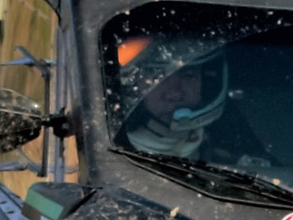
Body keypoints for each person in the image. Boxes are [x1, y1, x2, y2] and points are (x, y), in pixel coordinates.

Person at [113, 34, 267, 165]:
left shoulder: (234, 149)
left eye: (188, 76)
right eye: (156, 78)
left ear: (206, 85)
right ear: (134, 86)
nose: (174, 94)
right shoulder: (105, 153)